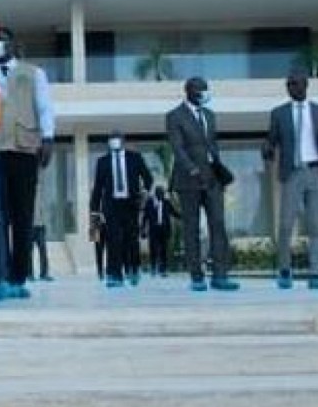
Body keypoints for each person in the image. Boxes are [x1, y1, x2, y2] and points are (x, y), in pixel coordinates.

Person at [262, 68, 318, 290]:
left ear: (305, 85)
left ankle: (316, 274)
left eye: (294, 84)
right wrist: (267, 149)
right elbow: (272, 140)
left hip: (316, 171)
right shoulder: (279, 113)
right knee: (286, 224)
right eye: (288, 84)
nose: (291, 88)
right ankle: (285, 270)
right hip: (292, 172)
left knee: (316, 225)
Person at [0, 27, 55, 298]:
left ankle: (19, 274)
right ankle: (0, 272)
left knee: (23, 214)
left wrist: (48, 138)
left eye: (1, 39)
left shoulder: (33, 73)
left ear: (11, 44)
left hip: (25, 148)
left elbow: (44, 106)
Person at [166, 76, 239, 291]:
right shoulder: (174, 116)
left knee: (218, 224)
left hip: (212, 179)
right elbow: (178, 148)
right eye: (201, 90)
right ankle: (196, 276)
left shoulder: (209, 115)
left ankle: (220, 275)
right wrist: (192, 168)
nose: (205, 94)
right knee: (191, 228)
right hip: (189, 180)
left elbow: (212, 145)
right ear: (189, 91)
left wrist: (218, 170)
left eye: (206, 90)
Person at [90, 129, 153, 288]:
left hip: (130, 204)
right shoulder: (102, 161)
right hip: (111, 206)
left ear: (123, 141)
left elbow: (148, 178)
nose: (114, 141)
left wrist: (144, 192)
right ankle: (114, 274)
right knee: (113, 240)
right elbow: (97, 187)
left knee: (131, 239)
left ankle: (133, 269)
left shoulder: (135, 158)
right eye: (112, 139)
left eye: (117, 138)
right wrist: (94, 212)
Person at [142, 184, 180, 277]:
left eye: (163, 193)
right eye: (160, 193)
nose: (162, 195)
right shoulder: (150, 203)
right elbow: (145, 217)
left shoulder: (166, 202)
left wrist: (183, 217)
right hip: (153, 229)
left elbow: (174, 213)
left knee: (164, 249)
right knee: (153, 248)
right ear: (156, 193)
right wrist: (143, 229)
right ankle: (153, 267)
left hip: (164, 229)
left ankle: (163, 269)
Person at [31, 173, 54, 282]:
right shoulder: (28, 190)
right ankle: (29, 274)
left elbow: (43, 208)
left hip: (40, 225)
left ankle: (44, 274)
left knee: (43, 251)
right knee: (28, 251)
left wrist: (45, 223)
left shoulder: (42, 191)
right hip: (30, 225)